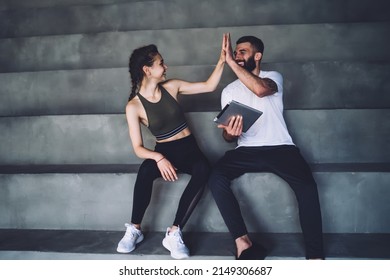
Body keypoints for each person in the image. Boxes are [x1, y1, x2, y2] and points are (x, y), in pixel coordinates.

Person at [208, 34, 324, 260]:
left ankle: (315, 257)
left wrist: (230, 62)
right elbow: (227, 137)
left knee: (308, 187)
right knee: (215, 177)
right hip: (246, 150)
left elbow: (261, 90)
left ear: (258, 56)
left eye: (243, 52)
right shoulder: (229, 91)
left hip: (280, 147)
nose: (237, 55)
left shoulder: (273, 77)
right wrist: (230, 133)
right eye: (235, 52)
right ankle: (243, 242)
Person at [117, 34, 227, 259]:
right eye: (160, 63)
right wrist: (159, 158)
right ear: (147, 70)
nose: (165, 66)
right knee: (146, 170)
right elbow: (138, 147)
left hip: (190, 149)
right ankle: (135, 229)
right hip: (165, 151)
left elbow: (209, 85)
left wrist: (223, 60)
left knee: (203, 169)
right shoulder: (134, 106)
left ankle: (174, 232)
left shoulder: (173, 86)